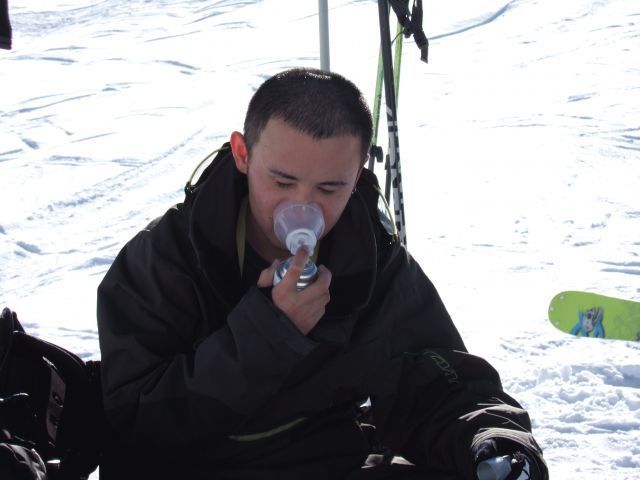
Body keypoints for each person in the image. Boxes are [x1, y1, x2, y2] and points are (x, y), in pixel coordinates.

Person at [96, 67, 548, 480]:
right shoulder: (168, 256)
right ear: (242, 154)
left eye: (330, 188)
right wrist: (269, 332)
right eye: (282, 181)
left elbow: (435, 380)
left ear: (358, 172)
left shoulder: (367, 258)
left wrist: (492, 439)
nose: (303, 206)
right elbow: (138, 423)